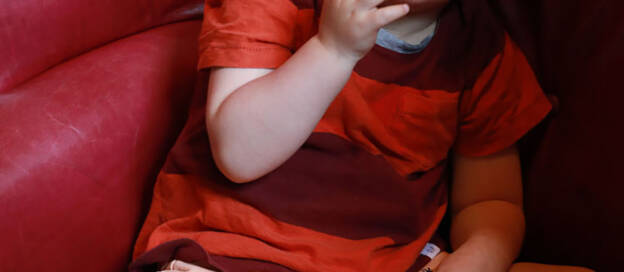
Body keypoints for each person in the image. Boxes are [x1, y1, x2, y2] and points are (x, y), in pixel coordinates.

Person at [130, 0, 593, 271]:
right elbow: (239, 152)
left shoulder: (482, 52)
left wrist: (480, 257)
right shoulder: (273, 5)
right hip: (233, 251)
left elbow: (491, 202)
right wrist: (333, 51)